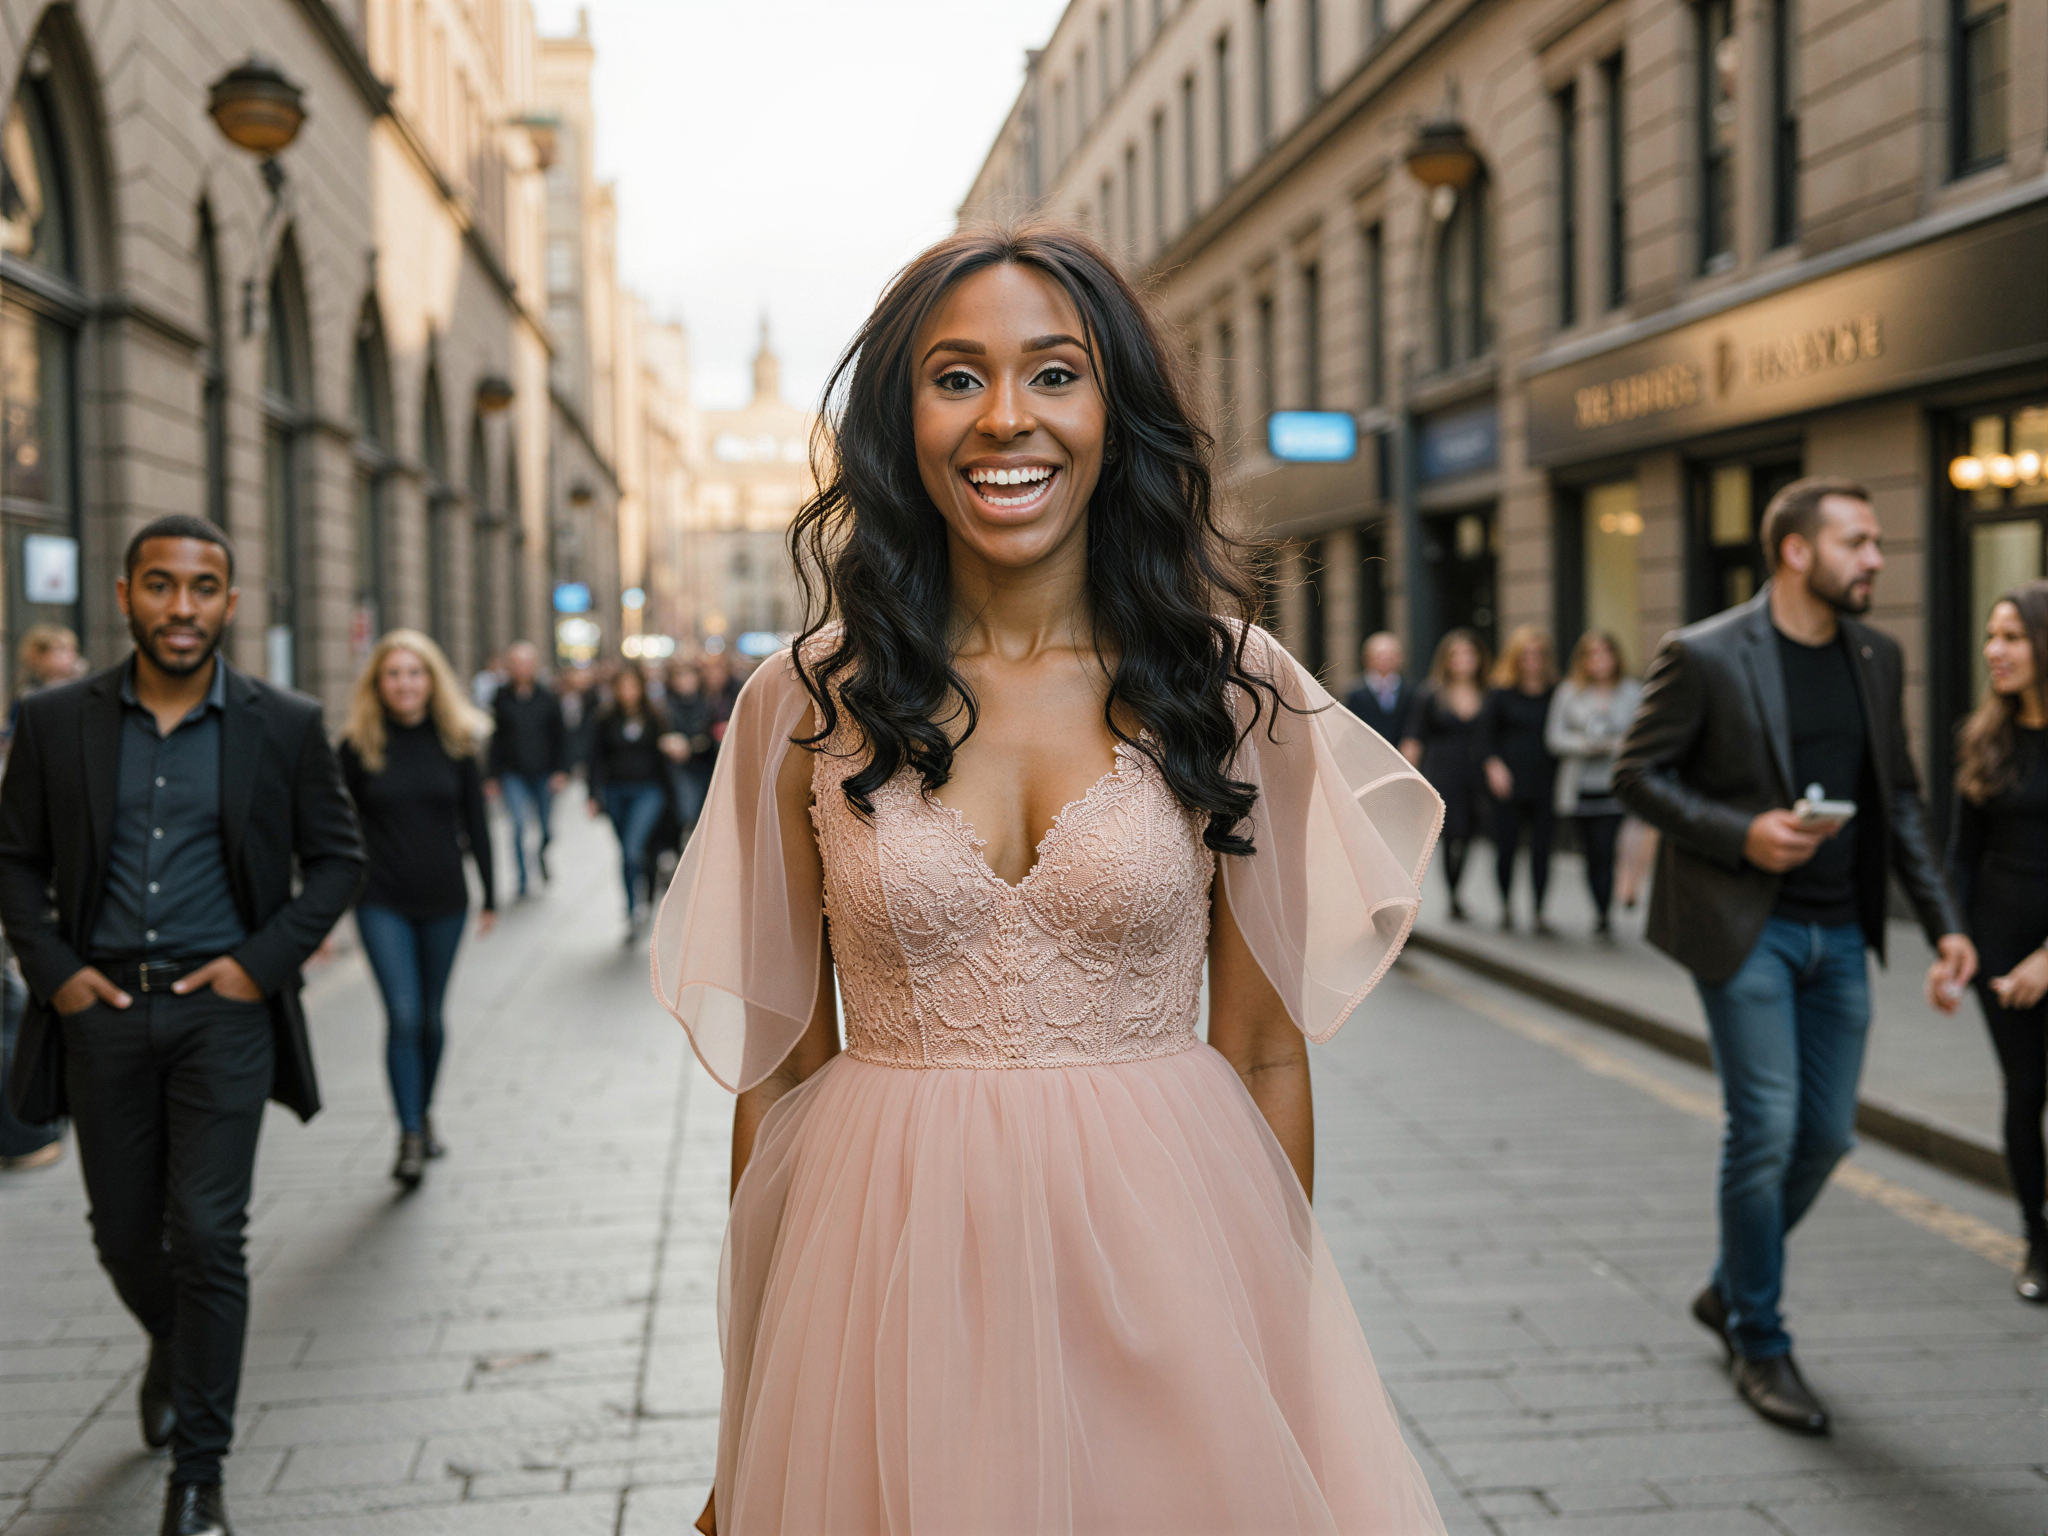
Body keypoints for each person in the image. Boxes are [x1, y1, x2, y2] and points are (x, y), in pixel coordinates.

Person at [654, 223, 1447, 1536]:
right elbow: (780, 1081)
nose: (1005, 418)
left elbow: (1261, 1054)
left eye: (1055, 374)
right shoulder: (798, 702)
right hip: (883, 1289)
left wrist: (1275, 1347)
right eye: (956, 376)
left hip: (1166, 1273)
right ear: (899, 419)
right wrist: (756, 1408)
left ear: (1114, 409)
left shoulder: (1229, 687)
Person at [0, 515, 364, 1536]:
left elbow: (338, 857)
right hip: (99, 1012)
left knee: (208, 1233)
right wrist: (57, 973)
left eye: (202, 589)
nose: (180, 607)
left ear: (230, 604)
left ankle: (198, 1477)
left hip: (223, 1019)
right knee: (123, 1236)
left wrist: (258, 967)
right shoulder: (53, 719)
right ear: (124, 596)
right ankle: (175, 1342)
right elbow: (14, 861)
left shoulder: (281, 723)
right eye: (159, 586)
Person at [1613, 476, 1975, 1435]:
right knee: (1766, 1126)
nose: (1877, 560)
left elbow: (1898, 798)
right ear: (1797, 552)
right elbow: (1636, 775)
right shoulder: (1704, 654)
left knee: (1827, 1137)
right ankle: (1761, 1341)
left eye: (1878, 543)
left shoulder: (1876, 653)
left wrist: (1945, 924)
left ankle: (1729, 1285)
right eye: (1860, 541)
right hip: (1746, 927)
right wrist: (1743, 833)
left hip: (1841, 933)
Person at [339, 631, 497, 1190]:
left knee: (431, 1019)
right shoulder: (358, 747)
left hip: (445, 900)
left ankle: (423, 1112)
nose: (404, 684)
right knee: (403, 1017)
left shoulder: (456, 742)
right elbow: (335, 831)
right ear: (378, 684)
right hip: (380, 900)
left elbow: (475, 822)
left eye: (415, 673)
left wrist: (492, 894)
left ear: (431, 681)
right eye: (393, 674)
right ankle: (408, 1134)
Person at [1946, 580, 2048, 1304]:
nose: (1995, 651)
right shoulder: (1984, 736)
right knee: (2026, 1092)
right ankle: (2037, 1240)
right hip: (2001, 941)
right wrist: (1956, 940)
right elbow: (1959, 853)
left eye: (2011, 636)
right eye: (1991, 636)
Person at [1547, 630, 1644, 938]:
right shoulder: (1569, 692)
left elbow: (1644, 733)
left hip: (1617, 785)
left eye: (1605, 653)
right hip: (1580, 787)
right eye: (1592, 654)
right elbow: (1555, 738)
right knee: (1591, 853)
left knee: (1610, 848)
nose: (1599, 660)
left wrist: (1617, 744)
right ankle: (1600, 908)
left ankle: (1609, 908)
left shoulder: (1632, 691)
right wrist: (1585, 744)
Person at [586, 661, 683, 941]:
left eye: (632, 686)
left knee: (633, 848)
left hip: (648, 791)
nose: (627, 692)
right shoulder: (605, 719)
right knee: (628, 854)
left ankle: (641, 905)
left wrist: (672, 749)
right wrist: (592, 794)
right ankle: (632, 908)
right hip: (616, 791)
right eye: (622, 686)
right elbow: (595, 759)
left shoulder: (655, 717)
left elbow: (667, 750)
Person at [1400, 629, 1489, 921]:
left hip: (1475, 773)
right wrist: (1408, 777)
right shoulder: (1431, 694)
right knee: (1452, 833)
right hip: (1443, 772)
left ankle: (1457, 888)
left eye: (1469, 654)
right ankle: (1453, 895)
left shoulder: (1488, 692)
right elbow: (1415, 737)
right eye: (1457, 655)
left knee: (1471, 833)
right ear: (1446, 660)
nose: (1463, 660)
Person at [1482, 626, 1559, 933]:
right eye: (1526, 654)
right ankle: (1505, 906)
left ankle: (1539, 911)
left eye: (1538, 654)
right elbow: (1485, 738)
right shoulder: (1500, 693)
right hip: (1508, 782)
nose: (1532, 660)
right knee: (1506, 847)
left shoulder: (1557, 692)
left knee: (1543, 849)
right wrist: (1494, 767)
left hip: (1545, 781)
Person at [486, 641, 569, 896]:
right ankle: (522, 879)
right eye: (516, 663)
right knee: (519, 825)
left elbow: (561, 736)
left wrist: (561, 770)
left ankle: (541, 855)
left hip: (544, 772)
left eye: (525, 663)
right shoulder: (500, 697)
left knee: (545, 827)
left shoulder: (548, 697)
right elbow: (495, 738)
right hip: (513, 773)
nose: (521, 668)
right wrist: (490, 776)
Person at [1343, 630, 1412, 742]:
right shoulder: (1354, 692)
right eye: (1380, 655)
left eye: (1390, 655)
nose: (1385, 660)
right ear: (1367, 658)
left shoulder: (1410, 692)